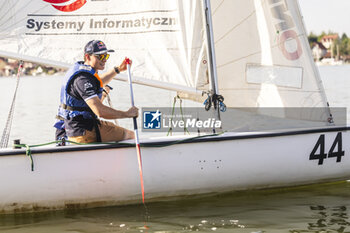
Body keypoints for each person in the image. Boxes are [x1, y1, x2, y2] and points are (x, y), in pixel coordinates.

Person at [54, 40, 138, 144]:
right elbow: (100, 111)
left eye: (106, 56)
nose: (104, 60)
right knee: (131, 136)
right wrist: (127, 114)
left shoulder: (83, 72)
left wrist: (118, 69)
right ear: (88, 57)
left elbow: (99, 82)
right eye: (100, 57)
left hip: (75, 128)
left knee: (118, 132)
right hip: (84, 131)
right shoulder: (82, 79)